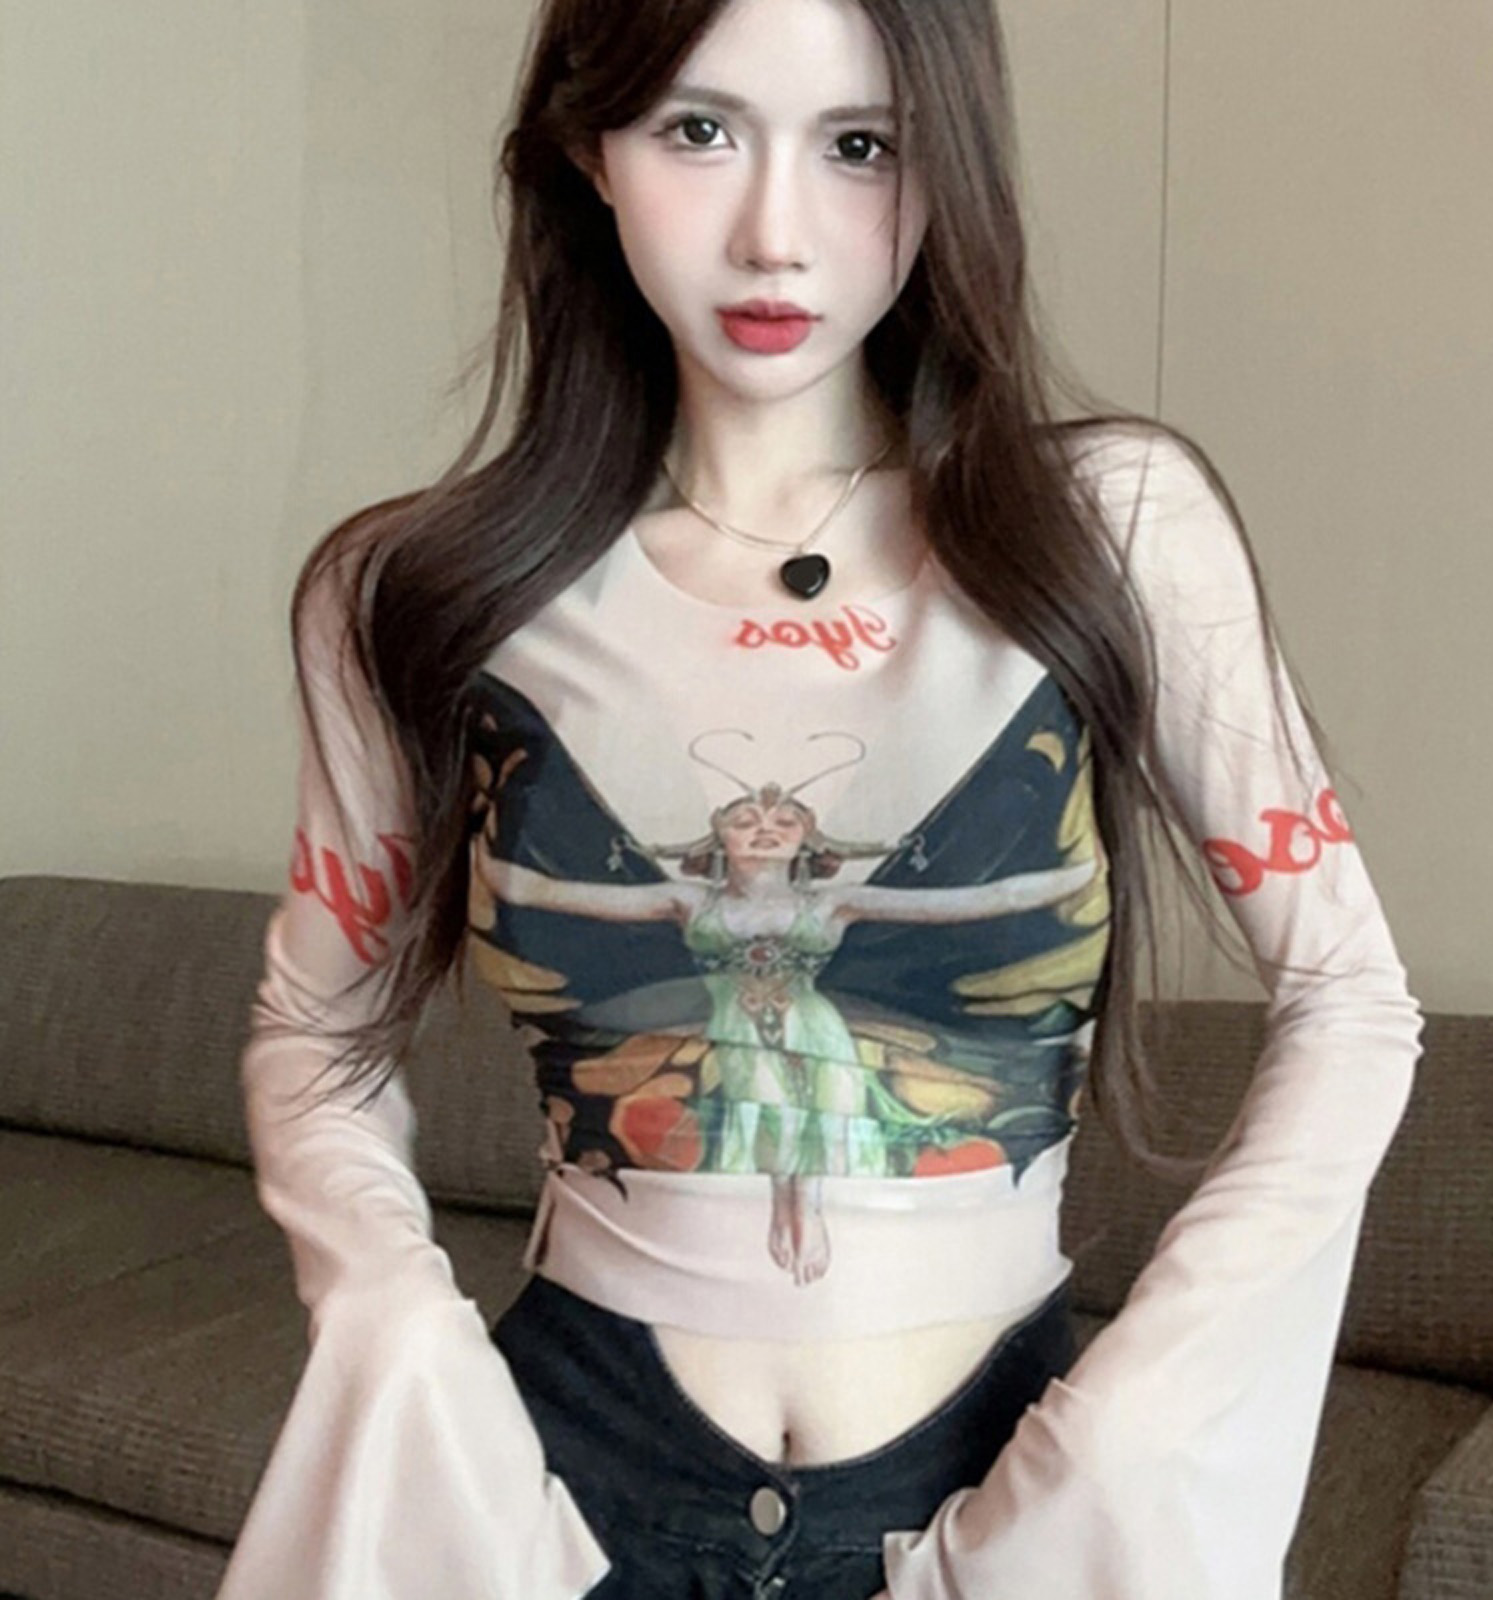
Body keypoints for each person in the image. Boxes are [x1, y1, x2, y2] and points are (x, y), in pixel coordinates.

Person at [216, 0, 1423, 1595]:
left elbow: (1351, 997)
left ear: (946, 169)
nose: (774, 235)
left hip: (1006, 1489)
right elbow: (315, 1031)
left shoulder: (1115, 533)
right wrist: (391, 1328)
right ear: (589, 148)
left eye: (859, 146)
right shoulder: (418, 593)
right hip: (563, 1489)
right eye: (698, 130)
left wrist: (1147, 1411)